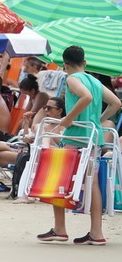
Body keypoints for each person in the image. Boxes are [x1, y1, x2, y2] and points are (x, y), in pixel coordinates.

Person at [37, 45, 121, 246]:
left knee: (59, 178)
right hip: (94, 138)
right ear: (84, 63)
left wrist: (68, 119)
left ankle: (59, 229)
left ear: (65, 65)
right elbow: (116, 103)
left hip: (76, 138)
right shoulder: (94, 80)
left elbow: (86, 97)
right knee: (91, 182)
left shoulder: (72, 78)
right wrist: (97, 121)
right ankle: (96, 233)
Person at [0, 96, 65, 200]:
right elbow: (27, 140)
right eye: (45, 107)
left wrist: (49, 135)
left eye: (49, 108)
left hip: (34, 157)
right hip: (25, 153)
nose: (46, 110)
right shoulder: (41, 125)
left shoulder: (63, 128)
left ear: (59, 110)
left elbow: (62, 146)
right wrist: (26, 124)